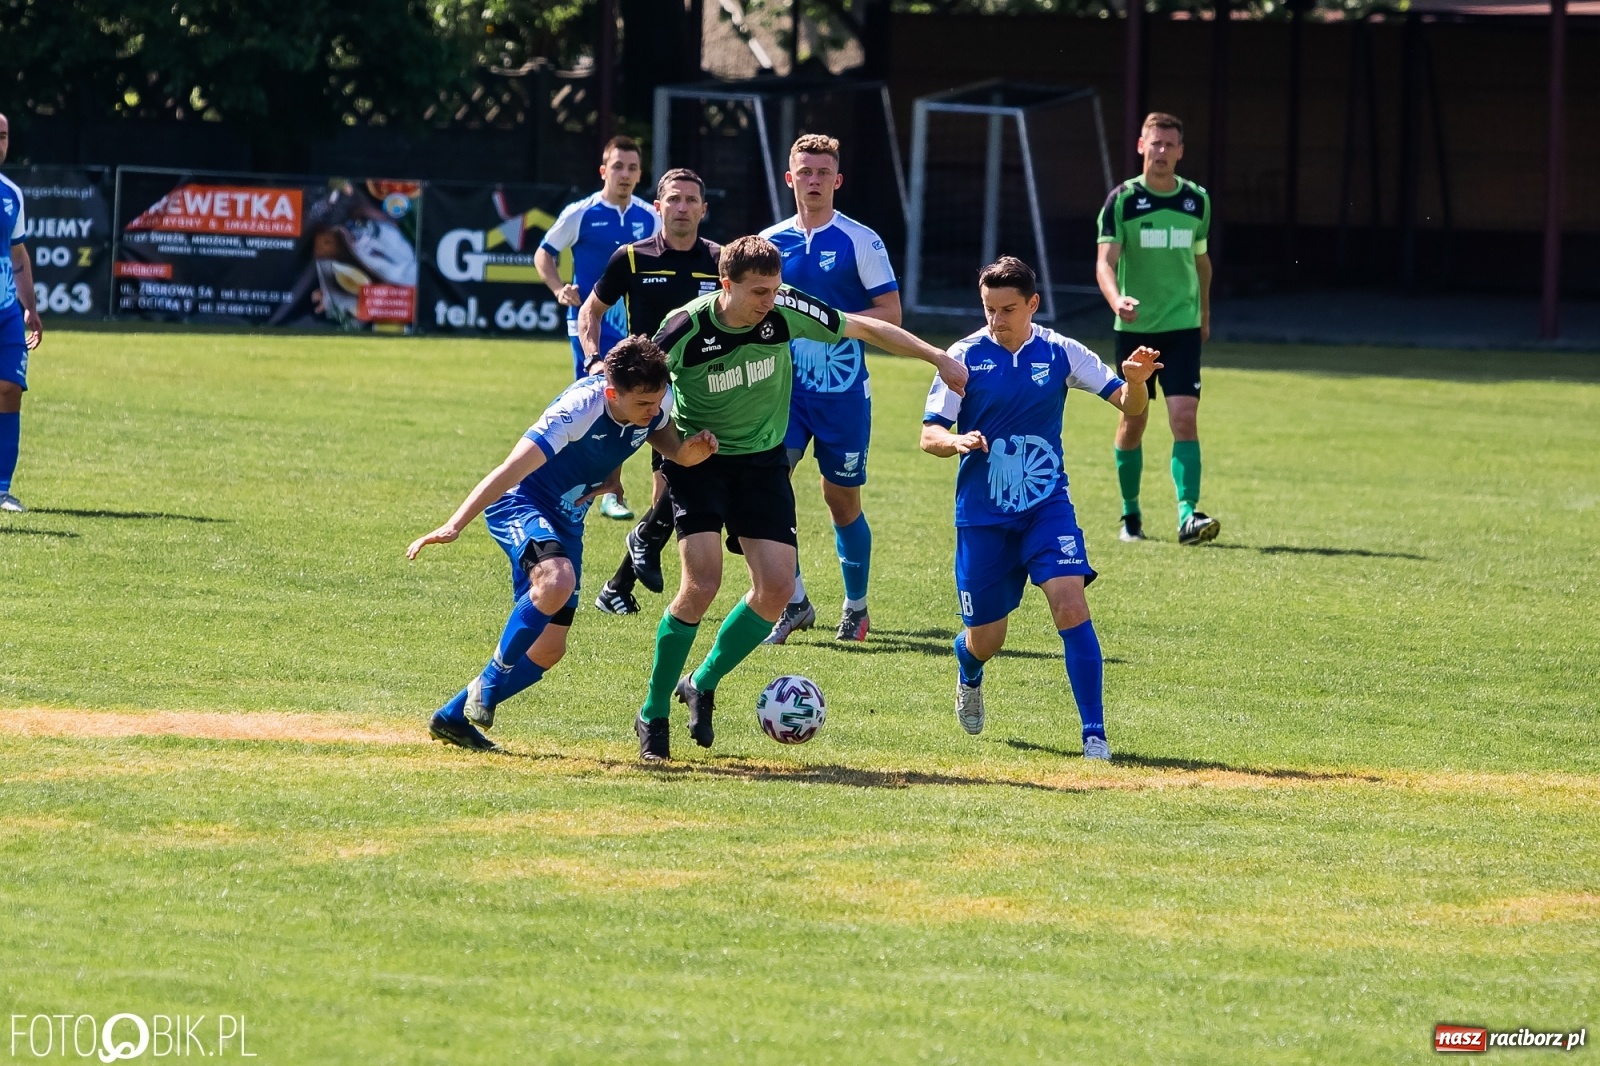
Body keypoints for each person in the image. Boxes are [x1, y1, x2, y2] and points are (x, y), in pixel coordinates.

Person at [635, 235, 967, 762]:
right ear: (726, 284)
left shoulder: (786, 309)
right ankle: (653, 713)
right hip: (700, 463)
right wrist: (675, 447)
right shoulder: (686, 327)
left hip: (762, 464)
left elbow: (864, 327)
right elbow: (636, 398)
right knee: (702, 584)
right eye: (759, 291)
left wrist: (936, 357)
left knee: (776, 590)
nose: (770, 300)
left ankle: (702, 681)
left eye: (775, 289)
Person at [407, 338, 718, 751]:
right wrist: (454, 524)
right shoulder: (577, 410)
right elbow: (507, 472)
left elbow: (668, 447)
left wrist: (691, 452)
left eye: (657, 400)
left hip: (568, 518)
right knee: (556, 581)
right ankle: (491, 677)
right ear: (612, 393)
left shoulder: (653, 402)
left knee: (550, 649)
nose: (653, 411)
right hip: (520, 503)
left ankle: (451, 717)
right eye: (644, 403)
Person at [922, 257, 1159, 760]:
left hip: (1047, 505)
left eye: (1008, 308)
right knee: (987, 638)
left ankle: (1093, 733)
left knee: (1070, 601)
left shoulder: (1060, 352)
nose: (997, 319)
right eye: (989, 309)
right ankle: (968, 665)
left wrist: (1135, 382)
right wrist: (956, 440)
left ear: (1033, 304)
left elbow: (1129, 406)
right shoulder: (961, 357)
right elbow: (929, 434)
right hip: (983, 515)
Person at [759, 133, 900, 645]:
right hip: (783, 393)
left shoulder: (862, 240)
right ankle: (794, 602)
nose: (813, 180)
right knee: (768, 489)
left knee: (841, 501)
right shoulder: (769, 243)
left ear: (837, 181)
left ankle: (856, 607)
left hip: (843, 394)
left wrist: (829, 320)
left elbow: (891, 314)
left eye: (823, 173)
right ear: (789, 177)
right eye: (805, 171)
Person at [578, 168, 722, 616]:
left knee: (676, 484)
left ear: (703, 208)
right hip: (648, 392)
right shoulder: (632, 258)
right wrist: (594, 360)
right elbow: (591, 311)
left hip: (700, 387)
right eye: (673, 200)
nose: (682, 207)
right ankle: (622, 579)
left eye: (690, 200)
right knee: (675, 482)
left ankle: (621, 585)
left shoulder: (720, 260)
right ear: (657, 208)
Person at [1095, 112, 1218, 546]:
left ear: (1181, 151)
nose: (1162, 151)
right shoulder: (1123, 200)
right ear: (1140, 146)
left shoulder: (1196, 202)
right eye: (1155, 143)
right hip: (1136, 331)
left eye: (1170, 144)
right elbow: (1105, 262)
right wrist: (1116, 300)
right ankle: (1130, 515)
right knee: (1135, 421)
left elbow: (1201, 263)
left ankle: (1188, 515)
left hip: (1182, 328)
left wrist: (1204, 313)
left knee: (1185, 418)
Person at [534, 135, 661, 520]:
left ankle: (608, 491)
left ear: (640, 174)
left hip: (633, 328)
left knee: (627, 400)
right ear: (604, 171)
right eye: (618, 166)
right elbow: (545, 252)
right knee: (594, 402)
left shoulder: (649, 216)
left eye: (632, 167)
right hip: (589, 327)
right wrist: (559, 290)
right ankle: (575, 483)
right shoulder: (582, 212)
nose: (625, 174)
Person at [0, 113, 44, 514]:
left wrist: (30, 307)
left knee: (10, 389)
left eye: (4, 136)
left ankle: (1, 489)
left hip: (7, 313)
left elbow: (18, 254)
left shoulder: (12, 194)